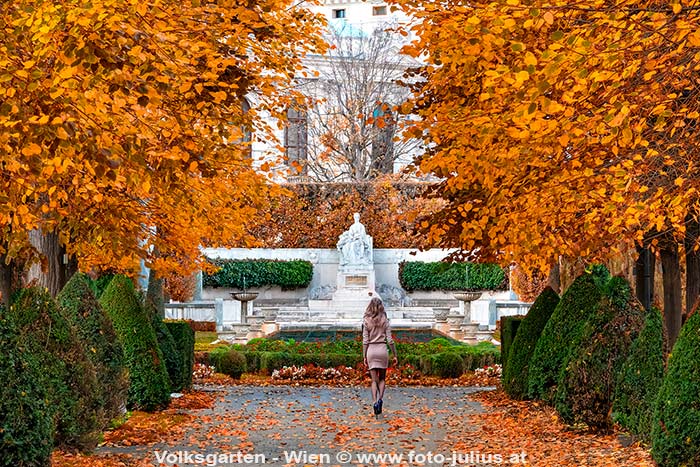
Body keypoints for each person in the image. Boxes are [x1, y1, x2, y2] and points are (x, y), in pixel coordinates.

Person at [362, 297, 398, 417]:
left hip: (371, 350)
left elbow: (365, 341)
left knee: (373, 380)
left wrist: (364, 356)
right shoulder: (385, 320)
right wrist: (394, 354)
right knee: (382, 378)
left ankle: (374, 402)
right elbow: (390, 340)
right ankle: (380, 399)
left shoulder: (366, 321)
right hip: (382, 349)